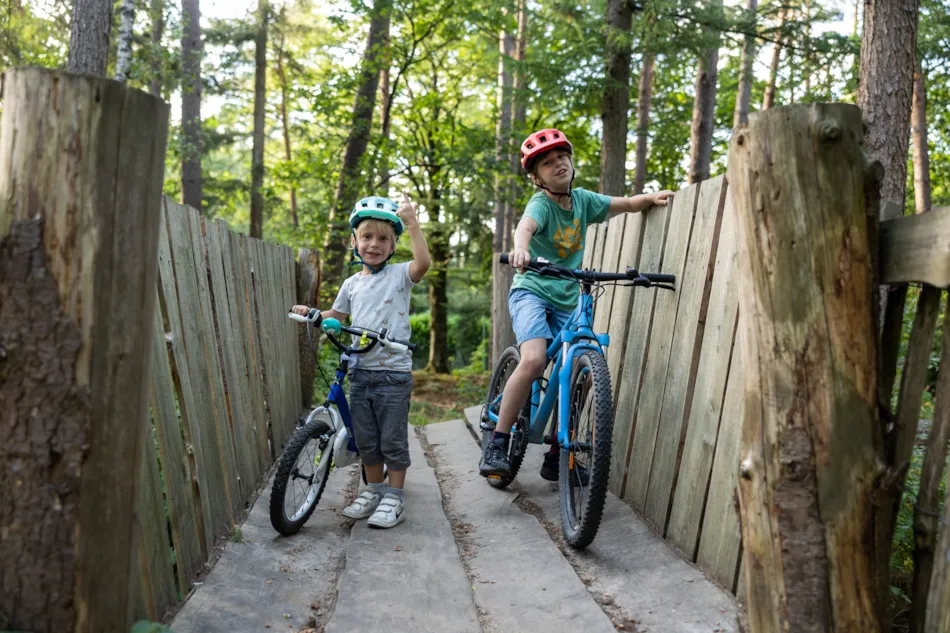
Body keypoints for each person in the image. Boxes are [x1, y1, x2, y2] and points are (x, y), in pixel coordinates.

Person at [479, 128, 674, 481]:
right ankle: (498, 440)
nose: (558, 166)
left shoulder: (583, 200)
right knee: (536, 359)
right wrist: (521, 249)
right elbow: (525, 227)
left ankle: (558, 454)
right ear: (537, 178)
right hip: (533, 291)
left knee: (581, 371)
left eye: (562, 159)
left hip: (569, 296)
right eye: (548, 164)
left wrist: (650, 198)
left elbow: (625, 205)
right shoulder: (541, 204)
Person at [292, 192, 430, 528]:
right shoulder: (352, 283)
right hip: (361, 372)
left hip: (393, 373)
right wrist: (313, 314)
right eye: (366, 236)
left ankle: (394, 498)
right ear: (355, 241)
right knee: (366, 439)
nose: (374, 244)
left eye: (383, 238)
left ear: (393, 243)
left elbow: (423, 263)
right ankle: (374, 490)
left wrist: (412, 224)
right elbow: (336, 314)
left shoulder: (399, 275)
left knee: (392, 439)